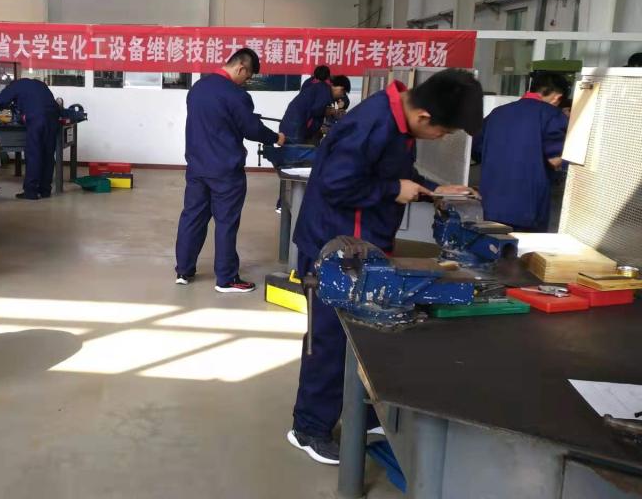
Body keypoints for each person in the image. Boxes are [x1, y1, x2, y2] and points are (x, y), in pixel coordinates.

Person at [288, 69, 483, 464]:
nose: (440, 139)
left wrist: (432, 190)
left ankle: (360, 411)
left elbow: (387, 172)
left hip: (361, 247)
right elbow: (336, 184)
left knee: (361, 338)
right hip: (336, 251)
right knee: (331, 341)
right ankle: (308, 428)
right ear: (425, 116)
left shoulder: (398, 120)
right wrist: (394, 190)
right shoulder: (371, 124)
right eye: (443, 132)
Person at [174, 48, 287, 293]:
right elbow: (252, 129)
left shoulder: (198, 88)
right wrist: (275, 138)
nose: (245, 82)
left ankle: (184, 270)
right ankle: (226, 278)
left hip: (197, 167)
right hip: (225, 170)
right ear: (241, 68)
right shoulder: (236, 95)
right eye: (247, 77)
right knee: (226, 223)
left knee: (192, 217)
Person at [472, 71, 569, 232]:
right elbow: (555, 159)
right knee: (524, 247)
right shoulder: (552, 115)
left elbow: (477, 149)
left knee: (493, 244)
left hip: (490, 205)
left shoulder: (497, 113)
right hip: (528, 209)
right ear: (557, 97)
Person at [0, 78, 61, 200]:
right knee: (48, 155)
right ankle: (45, 190)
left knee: (34, 154)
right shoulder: (39, 84)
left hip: (37, 119)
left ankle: (31, 192)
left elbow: (0, 100)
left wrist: (6, 106)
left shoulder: (14, 86)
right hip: (53, 118)